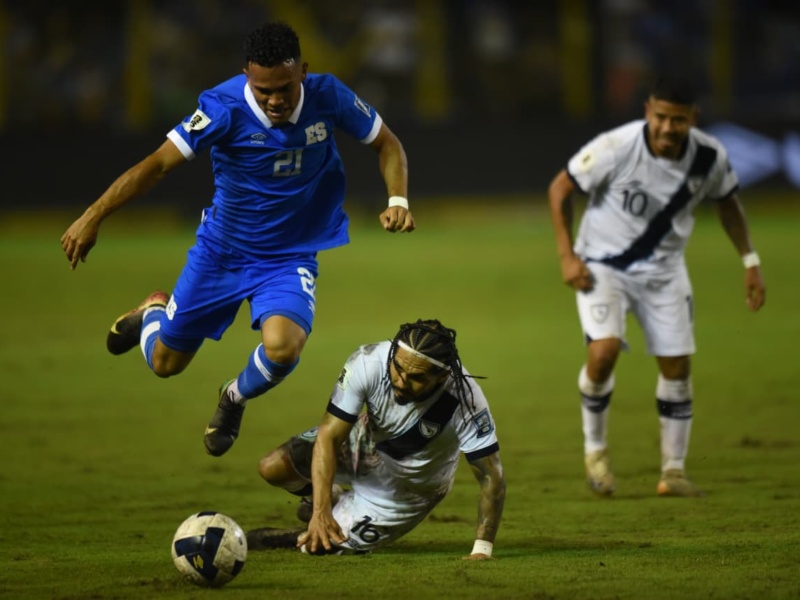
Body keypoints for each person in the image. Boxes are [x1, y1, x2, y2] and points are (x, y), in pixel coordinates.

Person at [59, 22, 414, 457]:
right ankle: (153, 312)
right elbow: (158, 165)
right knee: (165, 365)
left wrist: (398, 199)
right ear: (247, 75)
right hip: (221, 254)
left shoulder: (330, 96)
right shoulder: (222, 107)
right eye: (264, 91)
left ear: (303, 72)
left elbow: (388, 144)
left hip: (289, 256)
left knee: (284, 348)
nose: (275, 100)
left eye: (284, 88)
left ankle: (233, 397)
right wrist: (93, 216)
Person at [547, 75, 766, 498]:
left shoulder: (709, 156)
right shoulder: (617, 146)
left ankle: (674, 471)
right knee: (603, 352)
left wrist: (750, 261)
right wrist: (567, 257)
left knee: (677, 366)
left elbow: (728, 205)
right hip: (602, 267)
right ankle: (596, 452)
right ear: (648, 111)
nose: (667, 127)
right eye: (661, 117)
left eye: (677, 120)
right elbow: (560, 189)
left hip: (665, 272)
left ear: (693, 119)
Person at [247, 319, 506, 559]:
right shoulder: (368, 361)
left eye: (417, 378)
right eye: (398, 368)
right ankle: (329, 499)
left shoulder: (466, 401)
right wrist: (320, 510)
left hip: (408, 490)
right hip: (363, 443)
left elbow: (490, 476)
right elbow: (329, 436)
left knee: (323, 545)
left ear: (442, 376)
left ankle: (285, 537)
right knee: (273, 467)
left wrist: (482, 549)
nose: (402, 382)